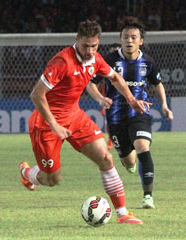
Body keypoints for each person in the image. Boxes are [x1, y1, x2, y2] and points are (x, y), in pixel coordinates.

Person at [19, 20, 150, 224]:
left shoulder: (95, 60)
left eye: (94, 46)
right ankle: (27, 173)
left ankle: (123, 213)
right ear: (76, 40)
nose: (89, 51)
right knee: (53, 179)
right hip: (46, 124)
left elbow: (115, 77)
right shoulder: (62, 62)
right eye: (85, 46)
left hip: (74, 117)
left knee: (106, 158)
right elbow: (37, 95)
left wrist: (131, 100)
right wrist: (54, 125)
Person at [87, 17, 173, 209]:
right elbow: (90, 83)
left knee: (143, 147)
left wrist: (165, 105)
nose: (129, 41)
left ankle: (148, 196)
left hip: (139, 114)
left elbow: (157, 84)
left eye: (133, 37)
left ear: (140, 41)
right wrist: (99, 99)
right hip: (116, 119)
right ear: (121, 38)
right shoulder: (109, 60)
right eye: (125, 37)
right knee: (129, 161)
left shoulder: (148, 63)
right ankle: (129, 161)